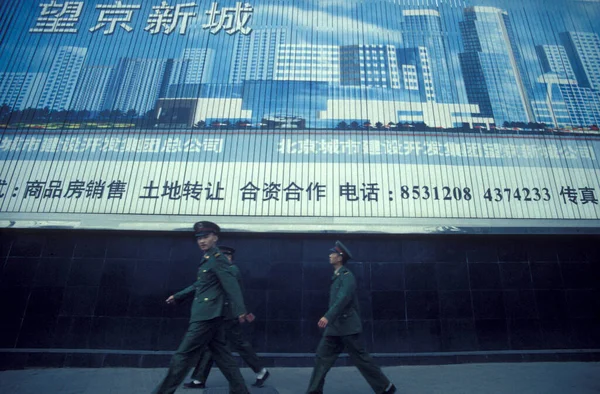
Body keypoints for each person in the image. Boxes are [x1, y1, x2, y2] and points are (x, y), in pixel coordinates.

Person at [153, 221, 250, 394]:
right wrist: (179, 296)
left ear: (215, 238)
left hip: (207, 316)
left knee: (182, 355)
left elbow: (231, 285)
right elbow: (202, 285)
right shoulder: (207, 258)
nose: (201, 241)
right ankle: (241, 391)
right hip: (212, 315)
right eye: (199, 238)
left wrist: (241, 311)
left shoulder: (218, 259)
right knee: (223, 356)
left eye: (205, 237)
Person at [306, 241, 397, 394]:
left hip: (347, 326)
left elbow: (342, 299)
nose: (330, 255)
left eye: (333, 253)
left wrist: (327, 316)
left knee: (361, 360)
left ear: (340, 257)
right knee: (321, 358)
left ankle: (385, 387)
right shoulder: (336, 276)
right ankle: (314, 391)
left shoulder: (347, 277)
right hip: (335, 328)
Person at [184, 245, 270, 389]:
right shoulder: (221, 269)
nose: (224, 259)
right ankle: (199, 379)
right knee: (213, 346)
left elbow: (237, 292)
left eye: (226, 257)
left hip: (228, 316)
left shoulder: (232, 270)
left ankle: (260, 370)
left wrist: (243, 311)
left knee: (237, 344)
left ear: (230, 258)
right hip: (220, 314)